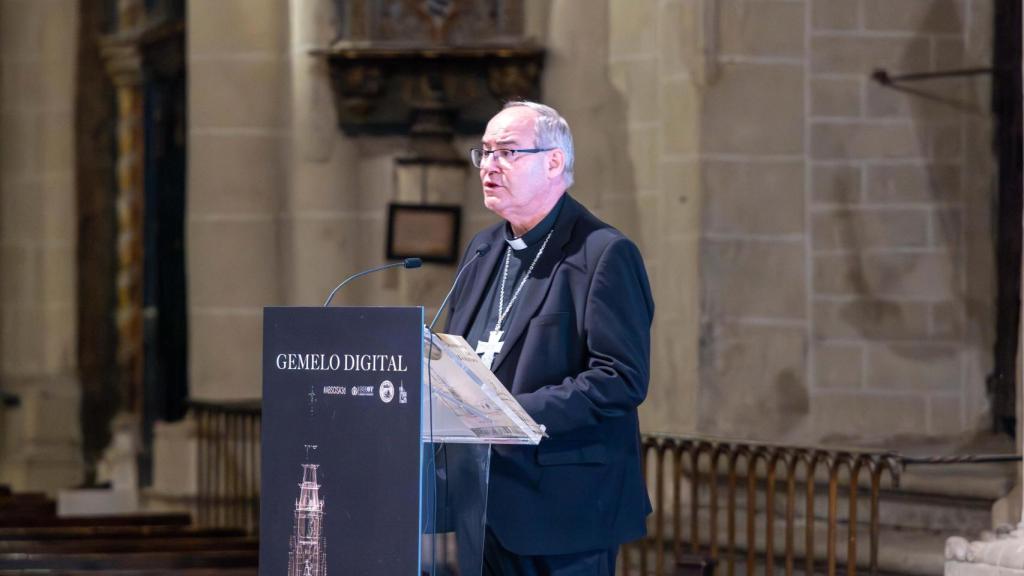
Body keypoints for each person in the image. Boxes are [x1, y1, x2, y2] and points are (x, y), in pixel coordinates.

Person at [444, 100, 655, 575]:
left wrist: (509, 415)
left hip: (567, 510)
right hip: (483, 504)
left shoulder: (603, 254)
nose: (489, 166)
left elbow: (620, 379)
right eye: (484, 153)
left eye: (506, 152)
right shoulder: (483, 250)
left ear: (554, 161)